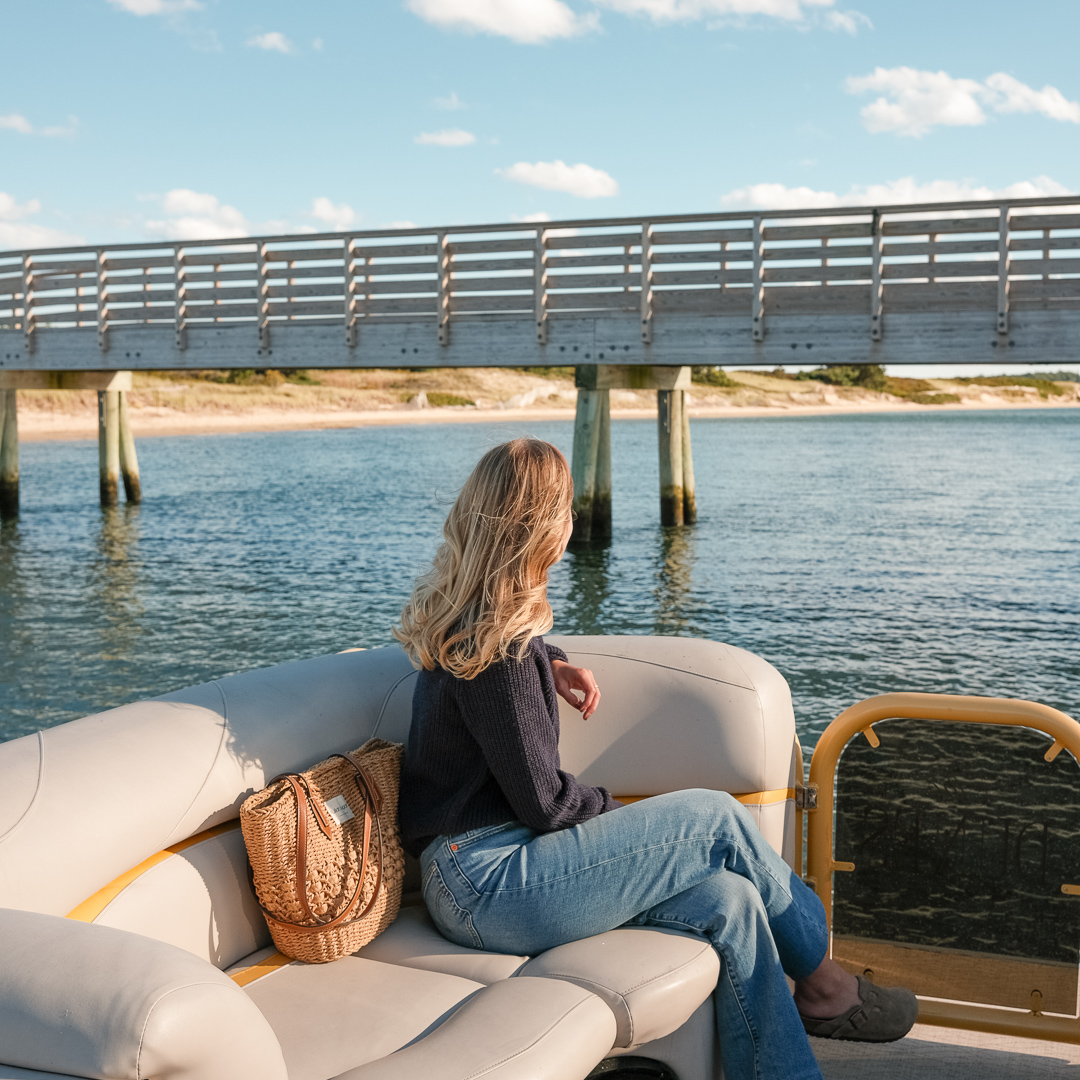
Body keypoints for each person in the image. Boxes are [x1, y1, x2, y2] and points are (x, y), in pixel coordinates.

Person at [395, 438, 916, 1080]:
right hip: (487, 882)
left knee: (729, 899)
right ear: (542, 530)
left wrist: (550, 664)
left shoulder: (485, 630)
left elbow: (502, 703)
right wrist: (628, 822)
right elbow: (548, 804)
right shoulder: (500, 652)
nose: (571, 527)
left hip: (477, 873)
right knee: (714, 819)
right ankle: (825, 980)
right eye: (564, 514)